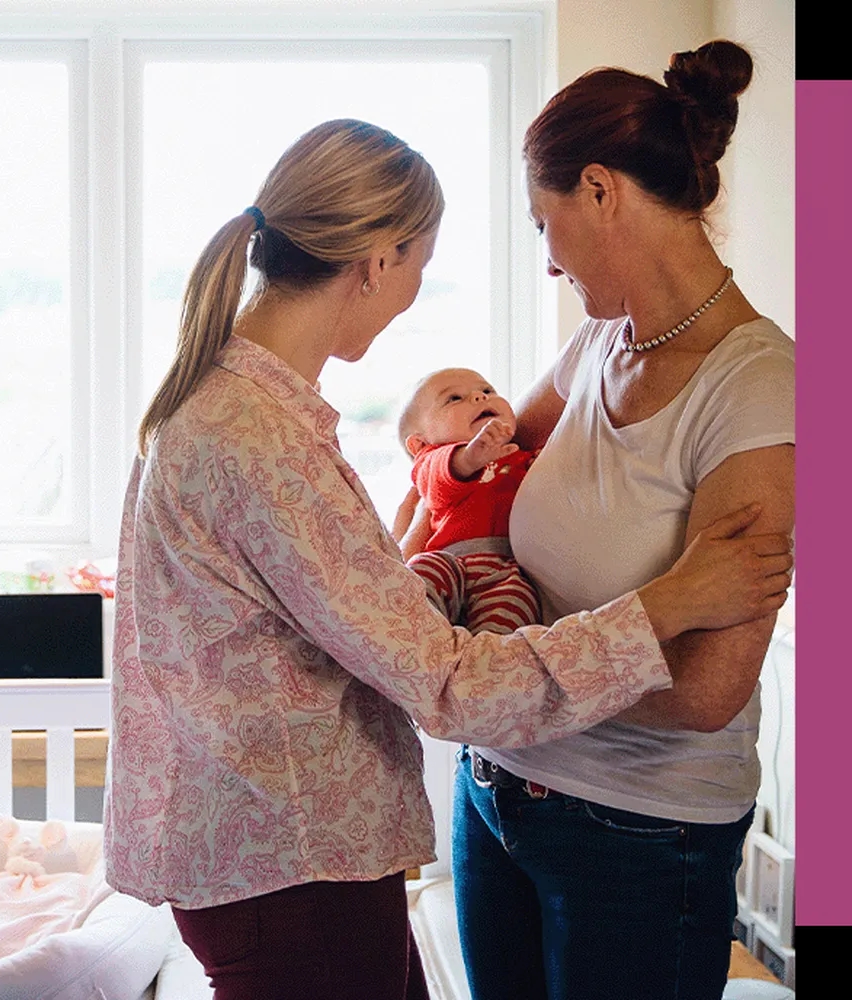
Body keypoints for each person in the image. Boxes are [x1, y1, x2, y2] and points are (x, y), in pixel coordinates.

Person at [101, 118, 793, 1000]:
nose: (414, 296)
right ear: (378, 260)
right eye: (420, 266)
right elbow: (450, 685)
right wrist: (670, 601)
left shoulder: (231, 407)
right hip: (293, 858)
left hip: (290, 850)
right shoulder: (257, 439)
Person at [437, 41, 795, 1000]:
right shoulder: (597, 344)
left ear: (600, 191)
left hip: (639, 834)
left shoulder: (759, 388)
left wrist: (503, 667)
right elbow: (479, 473)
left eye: (543, 224)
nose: (547, 261)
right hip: (494, 791)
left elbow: (707, 689)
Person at [397, 367, 540, 634]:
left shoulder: (519, 455)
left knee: (515, 601)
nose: (478, 397)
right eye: (454, 399)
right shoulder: (431, 462)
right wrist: (470, 457)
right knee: (418, 576)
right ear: (419, 445)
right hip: (448, 559)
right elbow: (442, 477)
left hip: (505, 567)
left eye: (488, 391)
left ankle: (489, 660)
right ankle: (410, 637)